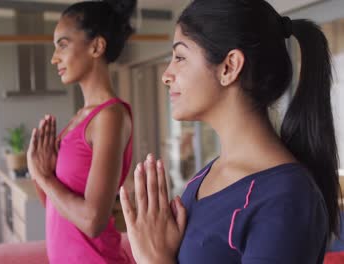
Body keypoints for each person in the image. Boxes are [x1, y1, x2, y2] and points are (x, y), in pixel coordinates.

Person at [119, 0, 340, 263]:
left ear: (229, 67)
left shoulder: (286, 197)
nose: (166, 75)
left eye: (180, 57)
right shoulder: (204, 178)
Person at [27, 0, 135, 263]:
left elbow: (92, 221)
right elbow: (56, 208)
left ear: (96, 46)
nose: (54, 58)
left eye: (62, 45)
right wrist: (43, 173)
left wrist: (44, 177)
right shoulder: (77, 120)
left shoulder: (110, 116)